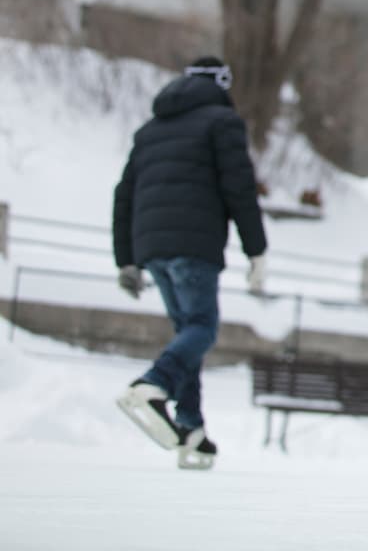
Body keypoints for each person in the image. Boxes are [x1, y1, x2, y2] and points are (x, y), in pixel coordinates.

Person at [111, 55, 269, 470]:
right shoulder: (222, 122)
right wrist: (257, 250)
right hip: (194, 243)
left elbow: (124, 195)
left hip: (152, 247)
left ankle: (190, 428)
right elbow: (239, 188)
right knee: (202, 328)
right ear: (221, 83)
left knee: (187, 334)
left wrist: (126, 260)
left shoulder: (149, 131)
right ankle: (153, 384)